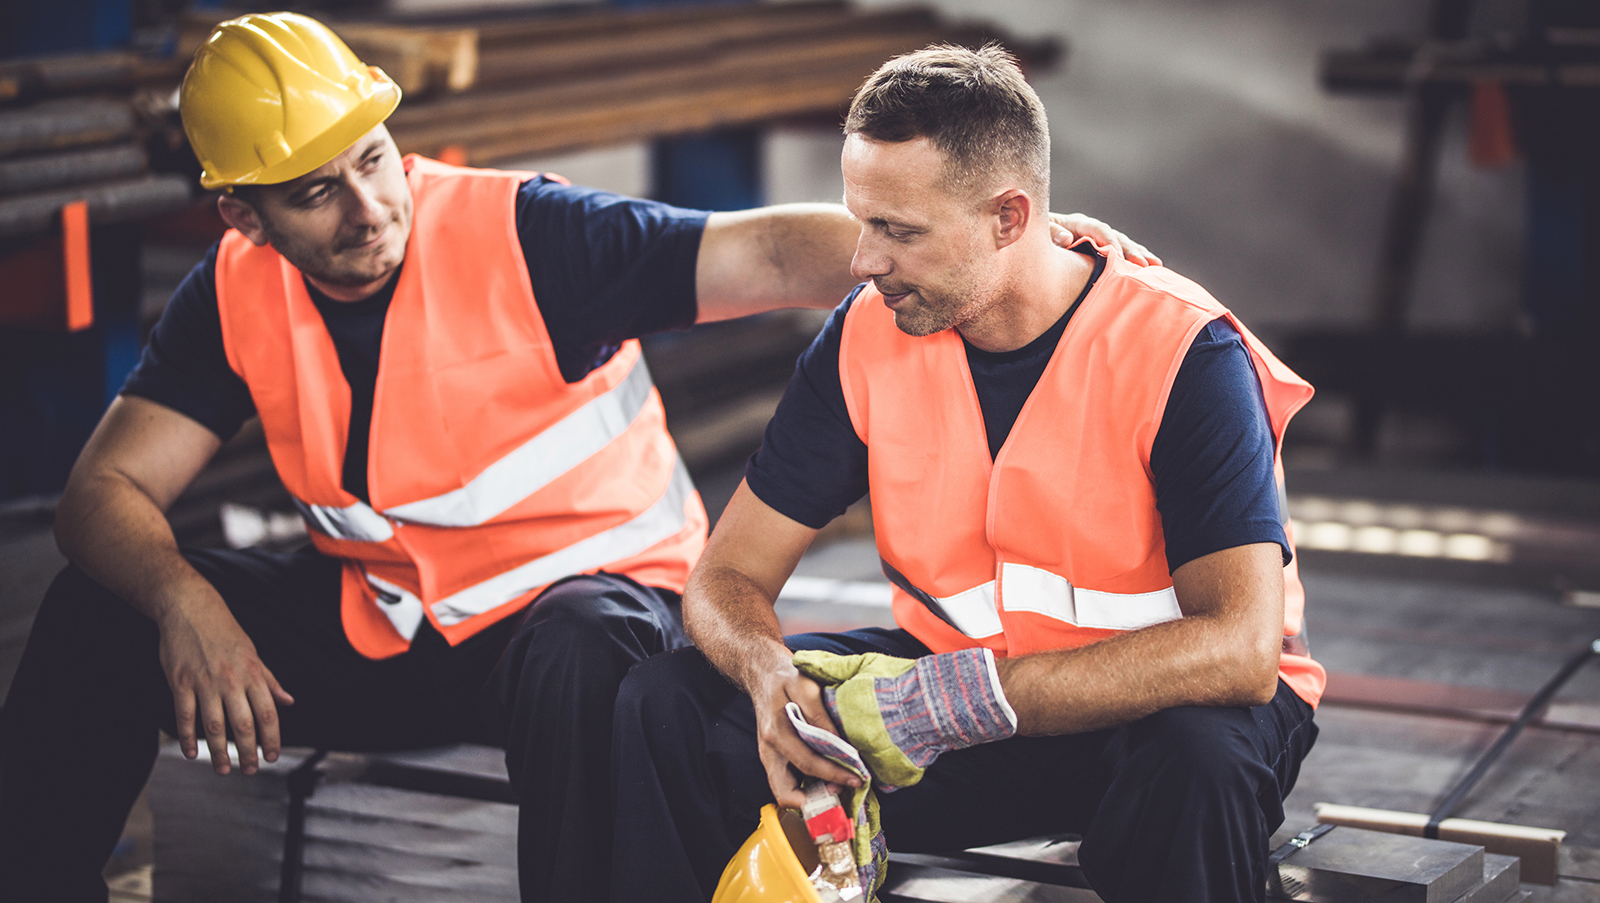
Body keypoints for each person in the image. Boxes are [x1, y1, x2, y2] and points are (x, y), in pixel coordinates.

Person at [0, 14, 1153, 903]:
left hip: (592, 615)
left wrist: (1026, 248)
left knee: (582, 649)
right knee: (98, 613)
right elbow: (103, 492)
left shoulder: (525, 234)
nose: (367, 207)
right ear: (243, 218)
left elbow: (762, 255)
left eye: (373, 157)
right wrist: (183, 600)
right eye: (313, 194)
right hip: (389, 620)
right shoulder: (235, 294)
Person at [610, 44, 1325, 903]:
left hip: (1153, 717)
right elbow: (726, 576)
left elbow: (1241, 652)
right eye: (862, 221)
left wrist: (964, 701)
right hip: (960, 705)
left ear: (1010, 219)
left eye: (899, 232)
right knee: (668, 703)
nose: (863, 261)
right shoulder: (865, 335)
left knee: (1196, 767)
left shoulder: (1183, 352)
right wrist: (774, 686)